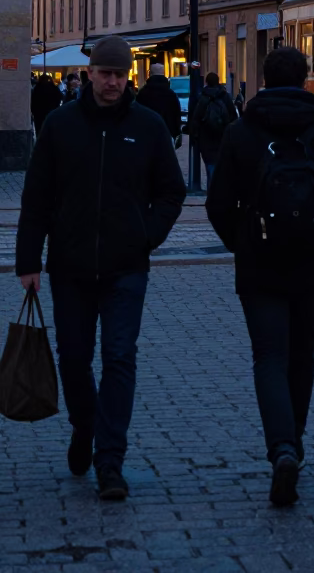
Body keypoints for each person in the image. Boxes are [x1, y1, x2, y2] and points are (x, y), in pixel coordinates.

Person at [16, 35, 186, 502]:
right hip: (69, 267)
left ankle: (110, 460)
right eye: (105, 73)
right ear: (89, 74)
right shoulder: (59, 125)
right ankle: (83, 423)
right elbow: (36, 196)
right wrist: (28, 260)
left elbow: (173, 192)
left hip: (126, 266)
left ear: (129, 75)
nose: (112, 82)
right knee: (74, 358)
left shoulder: (148, 126)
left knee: (119, 357)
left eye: (119, 74)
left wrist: (146, 234)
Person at [206, 46, 314, 508]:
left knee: (268, 356)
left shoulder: (241, 133)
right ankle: (294, 441)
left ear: (263, 78)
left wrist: (242, 245)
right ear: (306, 80)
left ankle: (281, 447)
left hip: (259, 266)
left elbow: (217, 205)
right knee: (303, 354)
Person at [189, 71, 236, 186]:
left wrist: (195, 135)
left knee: (210, 164)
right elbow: (233, 116)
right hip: (223, 136)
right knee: (222, 164)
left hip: (206, 137)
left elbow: (196, 118)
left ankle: (212, 189)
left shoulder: (202, 97)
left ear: (206, 82)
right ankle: (220, 189)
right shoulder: (225, 96)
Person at [135, 63, 182, 141]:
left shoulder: (143, 93)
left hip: (145, 133)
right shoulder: (170, 94)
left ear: (150, 73)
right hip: (167, 132)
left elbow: (136, 113)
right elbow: (176, 115)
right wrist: (176, 132)